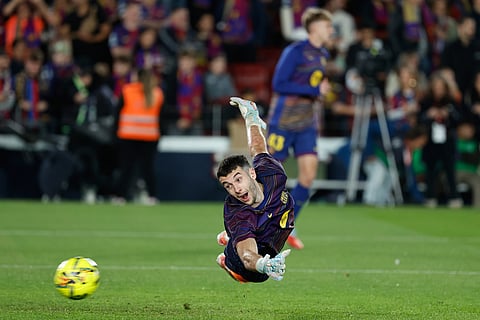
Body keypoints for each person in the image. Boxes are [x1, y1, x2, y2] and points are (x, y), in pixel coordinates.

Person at [267, 7, 333, 250]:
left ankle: (286, 225)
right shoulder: (295, 51)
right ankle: (242, 225)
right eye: (328, 26)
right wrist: (315, 91)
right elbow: (279, 83)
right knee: (269, 177)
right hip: (284, 121)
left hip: (307, 124)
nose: (331, 30)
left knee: (308, 177)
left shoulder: (323, 54)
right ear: (314, 27)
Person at [215, 96, 294, 283]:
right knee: (252, 275)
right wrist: (264, 265)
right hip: (253, 244)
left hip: (275, 221)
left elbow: (257, 146)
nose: (236, 189)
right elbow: (248, 255)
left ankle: (229, 235)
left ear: (252, 173)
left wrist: (251, 115)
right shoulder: (238, 212)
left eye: (238, 179)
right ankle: (227, 257)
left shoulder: (271, 173)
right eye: (228, 186)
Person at [112, 68, 163, 205]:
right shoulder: (157, 93)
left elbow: (117, 113)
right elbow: (162, 118)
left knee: (126, 168)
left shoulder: (127, 90)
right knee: (148, 169)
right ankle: (152, 196)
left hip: (128, 135)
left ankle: (120, 196)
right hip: (150, 137)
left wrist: (114, 134)